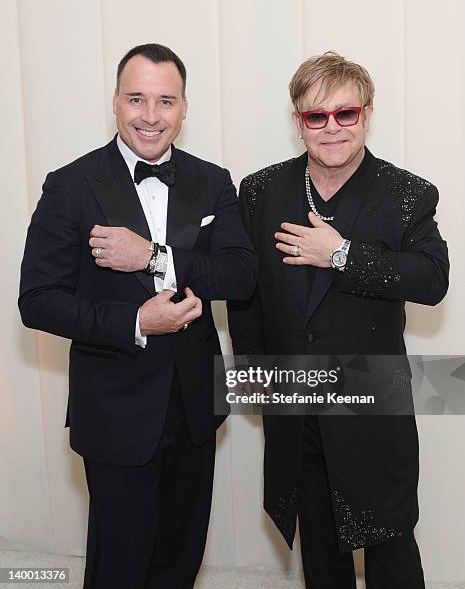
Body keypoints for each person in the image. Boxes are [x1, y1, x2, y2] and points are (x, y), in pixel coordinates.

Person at [19, 43, 256, 589]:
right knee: (120, 566)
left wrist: (153, 256)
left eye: (165, 101)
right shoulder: (70, 185)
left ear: (184, 108)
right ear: (115, 103)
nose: (151, 116)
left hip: (196, 408)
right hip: (116, 413)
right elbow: (37, 300)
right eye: (137, 99)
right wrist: (135, 324)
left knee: (180, 559)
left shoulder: (213, 180)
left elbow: (241, 275)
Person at [228, 52, 449, 588]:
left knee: (391, 554)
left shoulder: (406, 193)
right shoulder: (259, 191)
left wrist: (343, 254)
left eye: (345, 114)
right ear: (297, 120)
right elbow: (246, 295)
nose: (332, 128)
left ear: (367, 116)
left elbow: (431, 280)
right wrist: (255, 375)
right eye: (315, 116)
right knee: (322, 557)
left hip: (373, 409)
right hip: (296, 405)